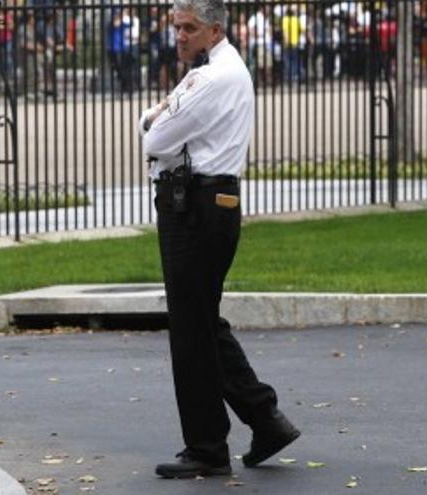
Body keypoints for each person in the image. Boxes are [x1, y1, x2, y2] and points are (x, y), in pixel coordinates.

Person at [137, 0, 299, 479]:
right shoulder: (207, 71)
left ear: (213, 29)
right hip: (202, 204)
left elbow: (153, 137)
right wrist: (159, 115)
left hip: (199, 207)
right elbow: (155, 122)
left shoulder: (211, 78)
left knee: (192, 328)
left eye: (188, 28)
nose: (179, 36)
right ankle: (265, 419)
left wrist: (159, 115)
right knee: (201, 322)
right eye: (175, 27)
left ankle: (209, 446)